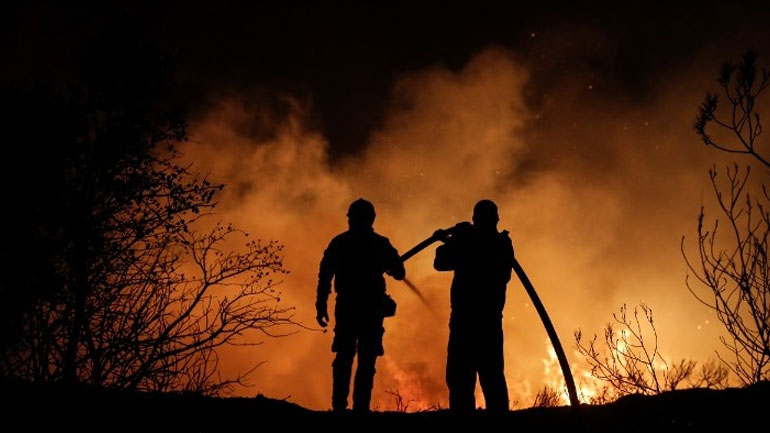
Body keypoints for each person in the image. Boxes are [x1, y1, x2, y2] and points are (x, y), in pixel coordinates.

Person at [315, 198, 406, 413]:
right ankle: (358, 409)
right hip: (368, 309)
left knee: (348, 358)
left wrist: (321, 305)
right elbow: (400, 273)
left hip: (350, 308)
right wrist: (391, 268)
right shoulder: (380, 244)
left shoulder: (340, 243)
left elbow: (325, 276)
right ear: (371, 219)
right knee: (363, 360)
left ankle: (343, 408)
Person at [433, 199, 512, 413]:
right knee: (492, 378)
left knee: (461, 380)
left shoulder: (468, 241)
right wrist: (457, 239)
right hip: (489, 323)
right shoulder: (502, 244)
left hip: (465, 323)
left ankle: (464, 426)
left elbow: (440, 262)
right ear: (496, 219)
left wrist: (450, 240)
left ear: (475, 219)